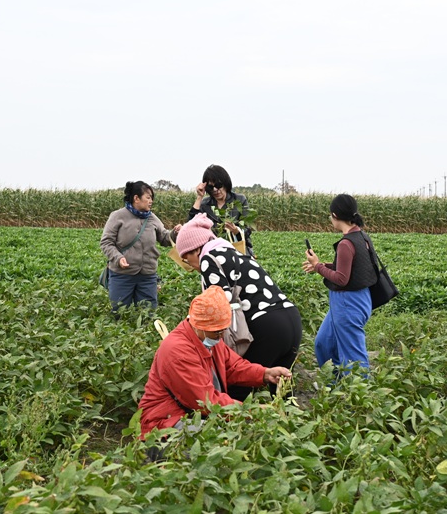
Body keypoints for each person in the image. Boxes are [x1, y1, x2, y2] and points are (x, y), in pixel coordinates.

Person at [136, 285, 292, 440]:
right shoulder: (177, 351)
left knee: (239, 435)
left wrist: (264, 374)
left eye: (224, 329)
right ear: (199, 326)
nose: (222, 335)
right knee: (218, 440)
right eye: (217, 331)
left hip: (192, 412)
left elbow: (234, 367)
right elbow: (205, 401)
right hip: (164, 421)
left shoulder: (210, 338)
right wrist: (249, 411)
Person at [175, 212, 301, 401]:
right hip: (291, 319)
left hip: (267, 326)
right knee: (281, 392)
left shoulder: (208, 258)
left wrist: (189, 331)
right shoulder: (236, 254)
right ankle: (290, 426)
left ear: (195, 250)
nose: (191, 266)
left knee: (237, 389)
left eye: (186, 259)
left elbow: (218, 304)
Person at [303, 194, 376, 376]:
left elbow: (342, 278)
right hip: (358, 299)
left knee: (354, 357)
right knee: (323, 343)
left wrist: (318, 266)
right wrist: (320, 266)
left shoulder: (346, 243)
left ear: (335, 215)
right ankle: (334, 386)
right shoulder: (361, 236)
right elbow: (352, 268)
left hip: (348, 303)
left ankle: (359, 397)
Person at [100, 181, 180, 311]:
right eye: (148, 197)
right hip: (122, 275)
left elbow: (165, 238)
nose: (151, 201)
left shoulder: (152, 218)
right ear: (136, 198)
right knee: (119, 312)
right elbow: (106, 242)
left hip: (147, 276)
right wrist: (118, 257)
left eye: (152, 198)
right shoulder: (118, 216)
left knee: (148, 314)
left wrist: (175, 233)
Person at [188, 164, 254, 257]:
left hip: (238, 251)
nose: (215, 190)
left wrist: (236, 231)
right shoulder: (204, 204)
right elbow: (190, 226)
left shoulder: (239, 200)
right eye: (211, 187)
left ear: (225, 183)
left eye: (218, 185)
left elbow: (247, 229)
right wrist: (199, 197)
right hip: (214, 253)